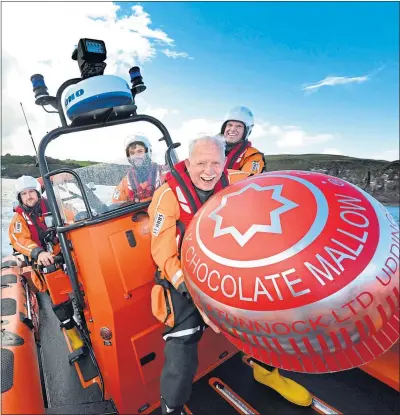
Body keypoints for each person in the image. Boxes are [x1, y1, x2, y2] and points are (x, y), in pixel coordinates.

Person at [148, 136, 310, 415]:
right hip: (185, 275)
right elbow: (162, 253)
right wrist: (194, 292)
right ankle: (171, 407)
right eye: (201, 163)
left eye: (215, 163)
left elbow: (277, 200)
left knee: (268, 312)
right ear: (187, 163)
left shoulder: (238, 180)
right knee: (183, 340)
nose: (209, 171)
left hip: (230, 269)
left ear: (225, 163)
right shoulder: (167, 196)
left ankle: (267, 372)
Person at [9, 175, 84, 351]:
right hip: (45, 264)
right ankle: (72, 332)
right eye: (24, 194)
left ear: (38, 193)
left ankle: (86, 319)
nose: (29, 196)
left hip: (65, 253)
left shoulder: (53, 206)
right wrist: (38, 252)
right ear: (20, 198)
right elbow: (18, 240)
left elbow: (72, 215)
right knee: (59, 303)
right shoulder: (19, 219)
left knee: (83, 288)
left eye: (31, 192)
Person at [112, 134, 167, 204]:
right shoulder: (126, 182)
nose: (136, 156)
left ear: (148, 153)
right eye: (132, 153)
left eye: (140, 151)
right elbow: (115, 205)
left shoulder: (162, 174)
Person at [220, 106, 265, 174]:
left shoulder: (253, 156)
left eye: (238, 126)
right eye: (230, 125)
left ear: (246, 131)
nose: (232, 129)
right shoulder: (211, 149)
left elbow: (248, 180)